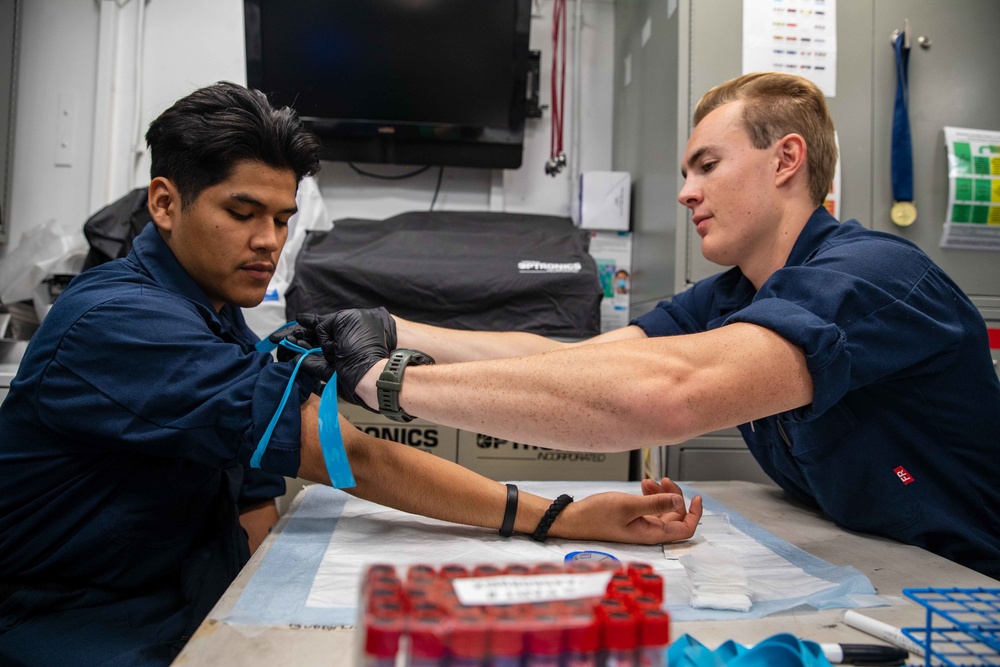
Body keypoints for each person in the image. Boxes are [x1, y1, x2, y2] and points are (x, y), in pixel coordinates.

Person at [0, 82, 703, 666]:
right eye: (241, 213)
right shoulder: (118, 320)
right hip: (76, 626)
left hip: (179, 602)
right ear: (164, 203)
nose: (268, 241)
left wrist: (257, 619)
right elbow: (341, 449)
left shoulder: (209, 315)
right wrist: (562, 515)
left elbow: (252, 494)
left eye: (281, 218)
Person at [289, 72, 1000, 579]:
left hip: (964, 589)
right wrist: (391, 325)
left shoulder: (869, 277)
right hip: (877, 567)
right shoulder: (733, 296)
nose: (686, 191)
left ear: (787, 159)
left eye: (707, 165)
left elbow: (667, 394)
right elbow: (575, 359)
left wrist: (390, 383)